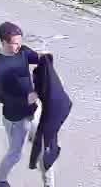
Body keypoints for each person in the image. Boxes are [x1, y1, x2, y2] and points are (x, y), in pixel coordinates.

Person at [0, 23, 38, 187]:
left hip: (32, 110)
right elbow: (2, 97)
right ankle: (0, 179)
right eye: (14, 43)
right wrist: (26, 99)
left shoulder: (22, 51)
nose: (18, 46)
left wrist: (45, 57)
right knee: (15, 154)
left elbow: (35, 58)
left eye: (19, 42)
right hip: (15, 117)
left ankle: (33, 137)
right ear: (3, 42)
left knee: (41, 135)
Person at [27, 51, 73, 187]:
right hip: (48, 117)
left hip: (37, 119)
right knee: (46, 151)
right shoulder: (53, 78)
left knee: (43, 152)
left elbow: (30, 100)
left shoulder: (34, 78)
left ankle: (48, 183)